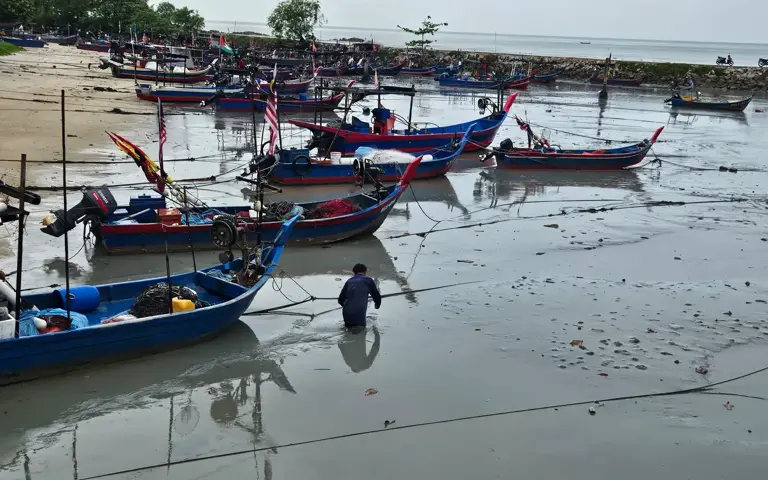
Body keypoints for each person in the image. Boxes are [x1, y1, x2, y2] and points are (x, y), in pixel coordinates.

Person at [338, 263, 381, 328]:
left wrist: (348, 306)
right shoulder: (368, 280)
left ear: (354, 272)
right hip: (359, 312)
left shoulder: (349, 281)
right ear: (365, 271)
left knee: (348, 332)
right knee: (361, 332)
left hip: (347, 312)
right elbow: (376, 295)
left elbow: (340, 300)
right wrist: (377, 304)